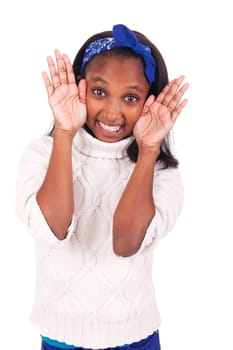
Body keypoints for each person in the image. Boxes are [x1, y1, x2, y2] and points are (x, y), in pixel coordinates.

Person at [16, 23, 189, 350]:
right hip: (61, 339)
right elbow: (51, 228)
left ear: (149, 102)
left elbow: (125, 243)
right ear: (79, 88)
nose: (112, 111)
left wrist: (150, 150)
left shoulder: (161, 172)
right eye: (99, 92)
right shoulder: (42, 154)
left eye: (130, 97)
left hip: (136, 340)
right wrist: (65, 133)